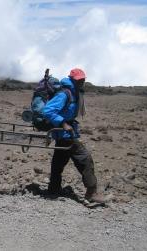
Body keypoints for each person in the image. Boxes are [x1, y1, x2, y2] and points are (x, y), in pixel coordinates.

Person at [42, 68, 108, 203]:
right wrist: (64, 124)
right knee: (85, 159)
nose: (82, 82)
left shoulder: (75, 92)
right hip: (65, 133)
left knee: (58, 162)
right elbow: (47, 111)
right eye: (79, 80)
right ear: (72, 79)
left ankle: (53, 189)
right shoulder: (65, 94)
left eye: (83, 79)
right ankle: (91, 192)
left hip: (64, 134)